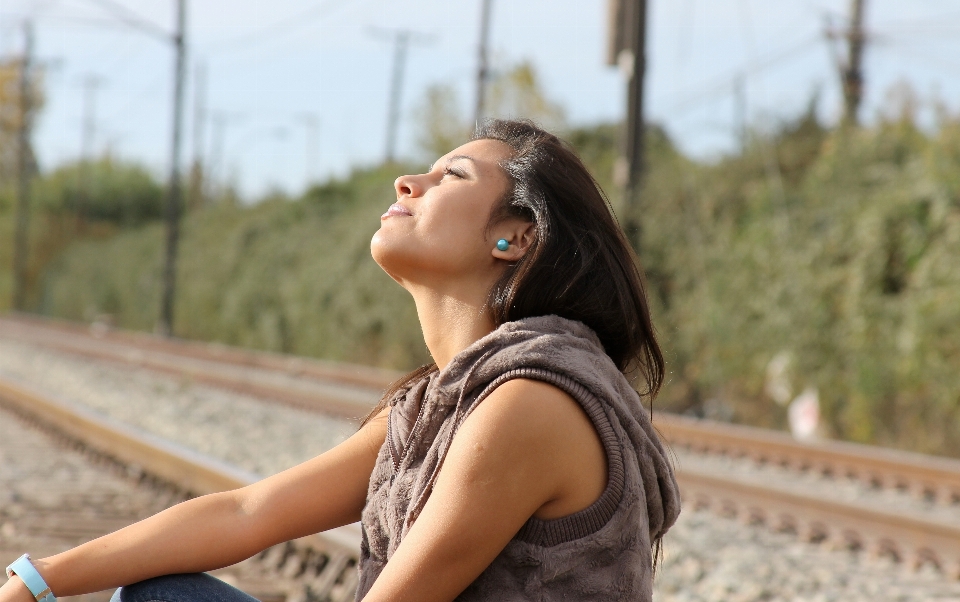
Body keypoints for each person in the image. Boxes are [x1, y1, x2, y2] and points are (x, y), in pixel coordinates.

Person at [0, 119, 679, 602]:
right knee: (161, 596)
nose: (407, 181)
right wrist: (41, 579)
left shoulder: (530, 404)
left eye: (451, 176)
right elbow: (246, 513)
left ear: (514, 236)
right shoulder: (441, 404)